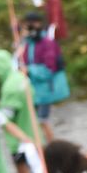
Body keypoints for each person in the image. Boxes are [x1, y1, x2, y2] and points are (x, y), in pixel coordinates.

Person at [17, 11, 67, 140]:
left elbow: (48, 70)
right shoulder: (27, 44)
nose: (30, 26)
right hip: (32, 91)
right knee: (32, 122)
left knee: (41, 121)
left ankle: (51, 149)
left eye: (32, 23)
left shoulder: (47, 43)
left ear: (39, 24)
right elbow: (21, 63)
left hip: (45, 91)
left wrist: (29, 69)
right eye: (27, 24)